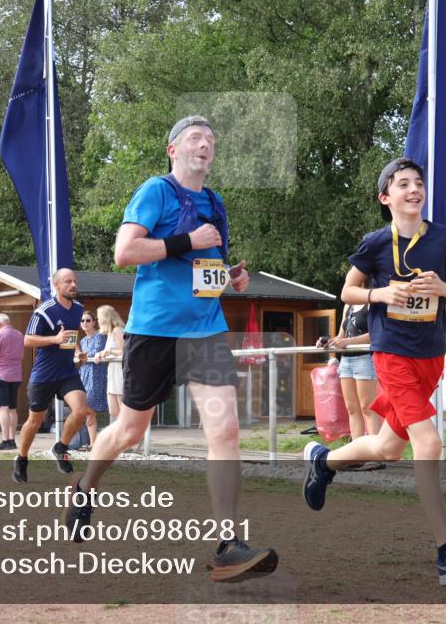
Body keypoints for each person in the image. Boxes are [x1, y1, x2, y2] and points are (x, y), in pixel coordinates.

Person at [64, 115, 278, 582]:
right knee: (129, 431)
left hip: (205, 330)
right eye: (195, 138)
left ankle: (227, 543)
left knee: (225, 432)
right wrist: (186, 239)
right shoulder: (155, 191)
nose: (205, 145)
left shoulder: (216, 204)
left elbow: (205, 273)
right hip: (155, 331)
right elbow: (125, 253)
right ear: (173, 150)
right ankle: (84, 487)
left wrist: (230, 279)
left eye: (211, 140)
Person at [302, 157, 446, 587]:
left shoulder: (445, 239)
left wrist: (442, 288)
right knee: (429, 442)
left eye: (418, 182)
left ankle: (324, 461)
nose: (414, 189)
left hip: (431, 356)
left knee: (388, 448)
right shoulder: (374, 243)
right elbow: (347, 290)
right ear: (385, 197)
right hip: (391, 354)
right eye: (403, 183)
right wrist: (381, 293)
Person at [12, 268, 90, 481]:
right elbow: (27, 340)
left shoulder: (78, 309)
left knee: (81, 410)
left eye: (74, 281)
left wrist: (78, 353)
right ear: (57, 285)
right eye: (68, 281)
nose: (73, 285)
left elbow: (70, 336)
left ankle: (60, 447)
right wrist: (54, 340)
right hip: (44, 375)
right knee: (34, 421)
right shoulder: (44, 311)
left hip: (67, 373)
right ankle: (21, 459)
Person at [317, 304, 381, 438]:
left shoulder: (372, 301)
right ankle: (357, 452)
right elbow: (341, 336)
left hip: (364, 358)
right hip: (346, 360)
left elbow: (377, 333)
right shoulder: (348, 305)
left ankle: (376, 453)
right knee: (352, 408)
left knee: (367, 407)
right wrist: (327, 342)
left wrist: (348, 342)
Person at [0, 313, 25, 451]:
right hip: (16, 375)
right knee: (13, 409)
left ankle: (5, 439)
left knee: (3, 409)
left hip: (0, 375)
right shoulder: (20, 335)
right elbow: (21, 355)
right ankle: (13, 440)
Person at [78, 310, 108, 446]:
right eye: (82, 320)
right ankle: (93, 443)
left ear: (94, 322)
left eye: (88, 320)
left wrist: (82, 356)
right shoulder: (82, 340)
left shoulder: (100, 336)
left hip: (96, 377)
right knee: (88, 413)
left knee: (88, 408)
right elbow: (82, 357)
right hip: (83, 376)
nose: (85, 323)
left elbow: (95, 353)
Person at [95, 305, 126, 424]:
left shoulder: (117, 330)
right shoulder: (110, 333)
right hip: (112, 370)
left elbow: (125, 351)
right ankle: (124, 432)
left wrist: (109, 352)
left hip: (119, 370)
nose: (98, 320)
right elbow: (110, 352)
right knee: (113, 410)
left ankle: (127, 436)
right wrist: (101, 354)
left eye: (99, 317)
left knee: (121, 405)